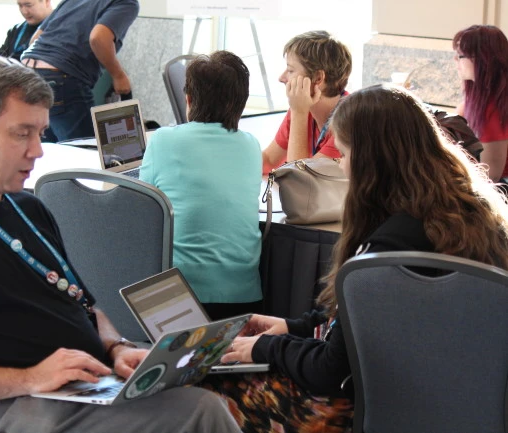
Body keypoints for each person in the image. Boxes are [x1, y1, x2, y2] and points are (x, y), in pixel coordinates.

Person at [0, 55, 242, 433]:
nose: (37, 150)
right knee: (198, 414)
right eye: (22, 133)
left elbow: (85, 306)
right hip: (1, 406)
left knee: (205, 403)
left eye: (40, 133)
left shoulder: (30, 208)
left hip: (77, 389)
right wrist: (30, 378)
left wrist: (116, 348)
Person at [202, 84, 508, 432]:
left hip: (371, 403)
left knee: (210, 391)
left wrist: (267, 348)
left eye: (344, 154)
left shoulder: (387, 251)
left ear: (370, 161)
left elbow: (331, 370)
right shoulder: (471, 214)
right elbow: (369, 325)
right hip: (456, 402)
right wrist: (294, 327)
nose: (342, 166)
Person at [139, 51, 262, 321]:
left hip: (180, 295)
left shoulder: (164, 140)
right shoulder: (252, 145)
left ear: (189, 99)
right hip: (244, 298)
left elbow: (142, 209)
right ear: (241, 103)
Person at [21, 0, 139, 142]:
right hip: (61, 76)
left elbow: (35, 39)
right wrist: (118, 76)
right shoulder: (126, 3)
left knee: (49, 150)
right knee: (87, 149)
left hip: (29, 72)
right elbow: (98, 38)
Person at [261, 30, 352, 174]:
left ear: (317, 78)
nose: (281, 78)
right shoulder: (303, 108)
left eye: (290, 71)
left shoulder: (350, 121)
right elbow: (268, 161)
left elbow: (300, 178)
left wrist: (299, 112)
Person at [453, 25, 508, 182]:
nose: (455, 60)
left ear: (483, 60)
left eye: (460, 55)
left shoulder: (494, 110)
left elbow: (491, 175)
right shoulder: (477, 98)